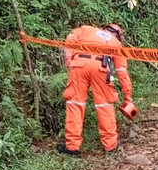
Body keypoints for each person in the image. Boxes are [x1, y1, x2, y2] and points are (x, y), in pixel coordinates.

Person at [56, 24, 133, 157]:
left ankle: (72, 147)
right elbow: (122, 71)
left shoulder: (86, 29)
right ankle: (110, 146)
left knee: (75, 104)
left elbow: (70, 38)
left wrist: (69, 60)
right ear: (118, 36)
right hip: (101, 69)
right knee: (105, 106)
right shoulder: (115, 43)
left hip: (79, 65)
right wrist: (127, 96)